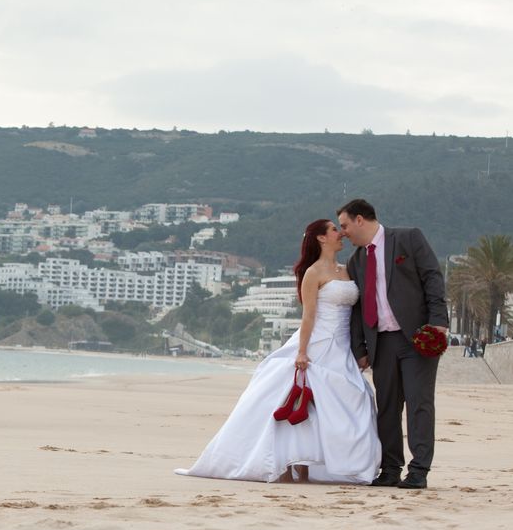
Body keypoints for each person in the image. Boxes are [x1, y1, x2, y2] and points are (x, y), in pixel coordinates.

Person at [174, 219, 381, 484]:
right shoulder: (313, 273)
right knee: (301, 402)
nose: (340, 233)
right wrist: (302, 352)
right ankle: (289, 464)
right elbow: (308, 317)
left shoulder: (347, 269)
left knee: (350, 400)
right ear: (320, 238)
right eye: (333, 230)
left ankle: (313, 465)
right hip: (318, 343)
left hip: (342, 347)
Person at [337, 199, 448, 490]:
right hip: (381, 343)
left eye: (345, 225)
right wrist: (360, 349)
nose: (343, 232)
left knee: (418, 404)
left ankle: (419, 470)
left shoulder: (408, 238)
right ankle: (390, 469)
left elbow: (432, 278)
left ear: (361, 219)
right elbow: (358, 309)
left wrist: (438, 322)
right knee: (386, 407)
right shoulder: (356, 261)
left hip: (417, 338)